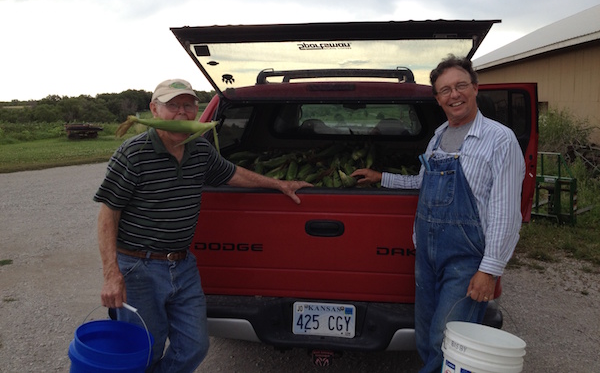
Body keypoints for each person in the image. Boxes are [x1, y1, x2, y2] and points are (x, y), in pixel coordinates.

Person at [94, 79, 312, 372]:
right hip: (139, 269)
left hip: (182, 265)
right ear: (154, 109)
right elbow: (108, 214)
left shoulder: (199, 149)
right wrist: (112, 274)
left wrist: (278, 184)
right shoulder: (133, 154)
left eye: (188, 105)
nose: (182, 113)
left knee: (195, 346)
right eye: (173, 105)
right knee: (147, 346)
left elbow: (233, 174)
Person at [352, 55, 525, 373]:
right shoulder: (438, 137)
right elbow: (422, 182)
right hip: (428, 256)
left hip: (466, 260)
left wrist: (490, 270)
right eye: (445, 90)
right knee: (425, 335)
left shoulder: (499, 140)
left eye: (460, 85)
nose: (454, 95)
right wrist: (381, 178)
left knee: (447, 340)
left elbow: (505, 212)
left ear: (475, 88)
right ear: (437, 98)